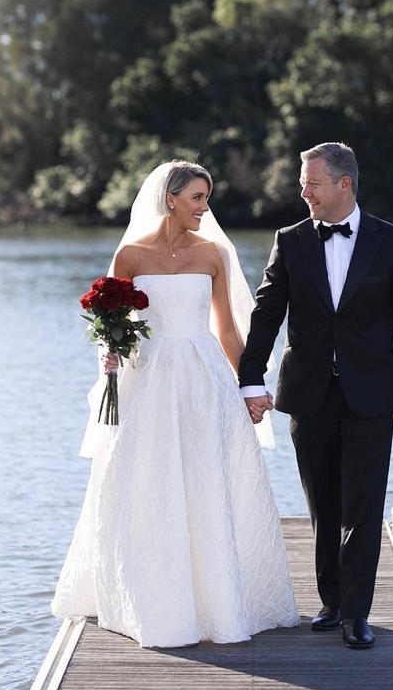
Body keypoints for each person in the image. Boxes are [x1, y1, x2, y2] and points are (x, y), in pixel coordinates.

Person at [51, 160, 299, 648]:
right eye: (197, 199)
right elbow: (112, 327)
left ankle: (218, 600)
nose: (205, 209)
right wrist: (111, 357)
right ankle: (151, 597)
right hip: (147, 380)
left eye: (207, 199)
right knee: (146, 479)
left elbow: (226, 328)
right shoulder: (130, 255)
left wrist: (249, 385)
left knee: (206, 479)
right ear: (171, 199)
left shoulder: (211, 254)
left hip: (202, 376)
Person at [239, 142, 393, 649]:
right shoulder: (290, 239)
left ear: (344, 184)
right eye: (303, 183)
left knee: (363, 508)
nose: (303, 192)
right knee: (322, 504)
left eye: (312, 183)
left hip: (374, 395)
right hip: (308, 393)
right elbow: (266, 314)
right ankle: (331, 601)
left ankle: (356, 614)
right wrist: (251, 379)